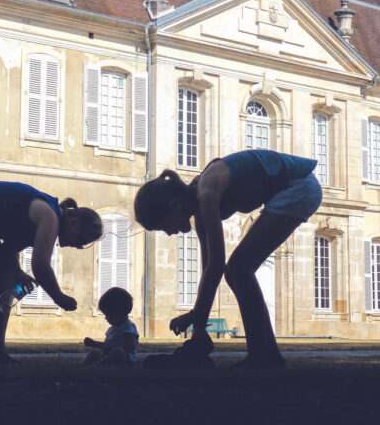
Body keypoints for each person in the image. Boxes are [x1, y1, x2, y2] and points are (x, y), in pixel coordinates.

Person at [134, 150, 322, 370]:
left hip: (300, 186)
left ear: (174, 205)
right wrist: (199, 324)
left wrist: (198, 319)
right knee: (238, 270)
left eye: (163, 225)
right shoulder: (201, 210)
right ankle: (267, 356)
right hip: (294, 188)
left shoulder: (206, 191)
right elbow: (208, 271)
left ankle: (263, 357)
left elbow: (217, 265)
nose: (168, 232)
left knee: (239, 269)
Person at [0, 180, 103, 365]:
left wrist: (15, 271)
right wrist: (58, 297)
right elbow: (40, 265)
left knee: (4, 282)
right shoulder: (50, 216)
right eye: (81, 239)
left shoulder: (45, 214)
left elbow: (7, 251)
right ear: (73, 221)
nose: (76, 245)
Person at [82, 287, 139, 367]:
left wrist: (111, 348)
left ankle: (95, 367)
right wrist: (95, 344)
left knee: (118, 352)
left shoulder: (128, 328)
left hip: (125, 360)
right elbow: (107, 345)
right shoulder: (112, 329)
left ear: (118, 313)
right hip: (108, 356)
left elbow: (131, 347)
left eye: (108, 315)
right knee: (95, 353)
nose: (106, 318)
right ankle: (84, 367)